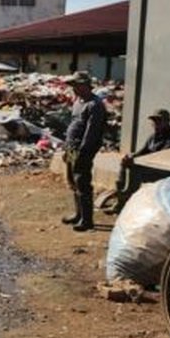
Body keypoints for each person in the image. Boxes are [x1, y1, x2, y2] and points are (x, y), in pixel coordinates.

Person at [109, 109, 170, 211]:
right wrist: (130, 157)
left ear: (167, 122)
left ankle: (129, 197)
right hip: (152, 168)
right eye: (154, 121)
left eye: (159, 121)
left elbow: (161, 157)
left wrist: (138, 161)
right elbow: (143, 151)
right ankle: (121, 197)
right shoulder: (153, 137)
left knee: (136, 169)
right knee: (125, 164)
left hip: (167, 172)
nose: (155, 123)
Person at [61, 70, 106, 231]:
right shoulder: (78, 102)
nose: (74, 88)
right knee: (73, 181)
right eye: (73, 85)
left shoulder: (95, 105)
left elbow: (91, 132)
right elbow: (73, 125)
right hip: (72, 147)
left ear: (86, 85)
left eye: (77, 85)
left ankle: (87, 220)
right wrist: (67, 148)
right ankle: (78, 214)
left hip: (83, 149)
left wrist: (83, 152)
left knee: (82, 182)